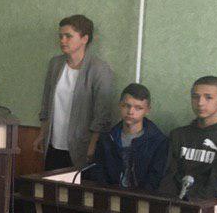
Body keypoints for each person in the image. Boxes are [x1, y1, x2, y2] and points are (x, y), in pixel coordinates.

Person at [34, 15, 115, 170]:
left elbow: (102, 114)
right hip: (53, 143)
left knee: (77, 185)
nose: (62, 40)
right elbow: (46, 102)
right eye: (60, 36)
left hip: (82, 147)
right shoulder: (55, 64)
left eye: (68, 36)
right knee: (50, 183)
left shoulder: (99, 69)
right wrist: (42, 133)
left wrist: (93, 145)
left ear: (84, 39)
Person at [159, 76, 217, 200]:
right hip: (173, 203)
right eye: (195, 97)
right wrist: (171, 202)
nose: (200, 103)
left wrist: (194, 204)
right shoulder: (178, 135)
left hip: (209, 206)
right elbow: (169, 176)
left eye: (208, 97)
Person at [83, 84, 168, 192]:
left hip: (142, 198)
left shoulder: (158, 142)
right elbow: (98, 174)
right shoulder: (107, 138)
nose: (130, 112)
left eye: (138, 108)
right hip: (108, 196)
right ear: (120, 105)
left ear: (147, 110)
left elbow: (155, 179)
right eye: (126, 105)